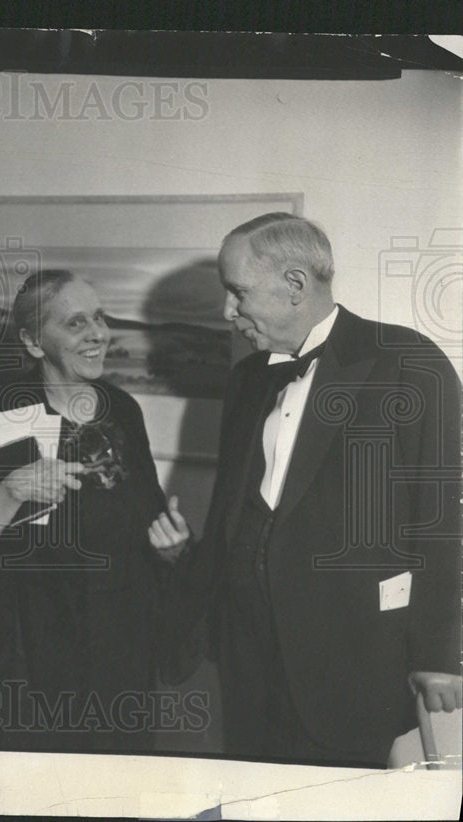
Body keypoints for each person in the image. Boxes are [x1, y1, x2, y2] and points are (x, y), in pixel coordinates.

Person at [171, 213, 462, 766]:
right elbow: (232, 514)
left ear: (296, 284)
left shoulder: (408, 361)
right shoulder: (249, 377)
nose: (226, 312)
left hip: (350, 661)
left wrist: (439, 652)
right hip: (248, 660)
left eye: (237, 292)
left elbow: (443, 518)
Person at [0, 270, 190, 753]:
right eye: (76, 323)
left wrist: (172, 548)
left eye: (99, 318)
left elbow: (144, 518)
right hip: (25, 654)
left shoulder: (122, 409)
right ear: (33, 342)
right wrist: (14, 490)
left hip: (117, 652)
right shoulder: (4, 412)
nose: (98, 333)